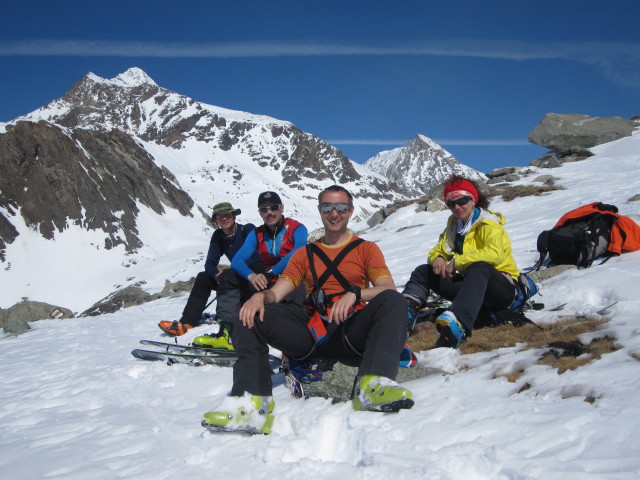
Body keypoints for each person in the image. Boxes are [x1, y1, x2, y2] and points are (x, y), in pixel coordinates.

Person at [201, 185, 413, 435]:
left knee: (393, 301)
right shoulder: (304, 253)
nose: (334, 213)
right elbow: (278, 292)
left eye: (341, 208)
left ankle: (373, 385)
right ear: (320, 211)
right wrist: (260, 297)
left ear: (350, 211)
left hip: (350, 330)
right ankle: (250, 403)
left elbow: (386, 289)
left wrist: (356, 293)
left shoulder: (366, 249)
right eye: (327, 207)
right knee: (250, 313)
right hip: (310, 333)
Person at [403, 175, 521, 348]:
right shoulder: (455, 224)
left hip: (501, 288)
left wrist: (458, 262)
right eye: (451, 204)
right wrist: (439, 258)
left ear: (473, 200)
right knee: (424, 271)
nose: (457, 207)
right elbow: (440, 249)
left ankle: (459, 323)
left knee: (479, 267)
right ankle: (404, 315)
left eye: (462, 201)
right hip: (472, 287)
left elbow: (494, 254)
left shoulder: (488, 224)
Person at [198, 191, 308, 351]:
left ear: (282, 208)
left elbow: (299, 251)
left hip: (293, 279)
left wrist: (272, 270)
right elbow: (237, 260)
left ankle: (300, 339)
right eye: (264, 209)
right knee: (229, 275)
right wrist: (251, 276)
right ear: (260, 213)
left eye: (273, 207)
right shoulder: (257, 233)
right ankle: (227, 332)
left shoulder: (297, 228)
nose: (269, 212)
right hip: (269, 280)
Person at [158, 202, 256, 336]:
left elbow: (257, 258)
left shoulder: (247, 231)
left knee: (228, 274)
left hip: (253, 278)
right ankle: (188, 321)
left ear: (234, 216)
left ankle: (226, 323)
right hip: (234, 279)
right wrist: (216, 274)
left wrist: (232, 272)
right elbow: (210, 263)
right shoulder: (218, 236)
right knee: (203, 277)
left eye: (227, 215)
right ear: (216, 221)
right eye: (220, 217)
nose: (224, 219)